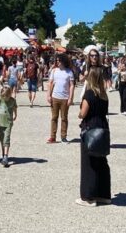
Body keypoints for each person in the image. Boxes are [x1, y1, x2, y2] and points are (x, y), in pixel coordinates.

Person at [76, 67, 111, 206]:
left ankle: (89, 197)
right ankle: (104, 194)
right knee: (101, 162)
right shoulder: (104, 95)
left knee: (88, 163)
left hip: (90, 128)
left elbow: (83, 113)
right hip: (102, 128)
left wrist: (79, 114)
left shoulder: (89, 94)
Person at [47, 54, 75, 143]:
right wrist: (48, 95)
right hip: (55, 97)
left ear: (63, 61)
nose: (57, 62)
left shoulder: (69, 72)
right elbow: (50, 83)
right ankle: (53, 137)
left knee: (64, 118)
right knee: (54, 117)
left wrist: (70, 98)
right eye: (56, 61)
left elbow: (71, 86)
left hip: (65, 98)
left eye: (59, 61)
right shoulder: (54, 71)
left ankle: (63, 136)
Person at [0, 84, 17, 167]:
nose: (5, 98)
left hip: (9, 122)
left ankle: (6, 156)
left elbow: (15, 108)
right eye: (4, 96)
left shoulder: (12, 100)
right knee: (1, 138)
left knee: (6, 138)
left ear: (10, 94)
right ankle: (3, 154)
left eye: (7, 96)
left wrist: (15, 115)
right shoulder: (0, 100)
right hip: (1, 122)